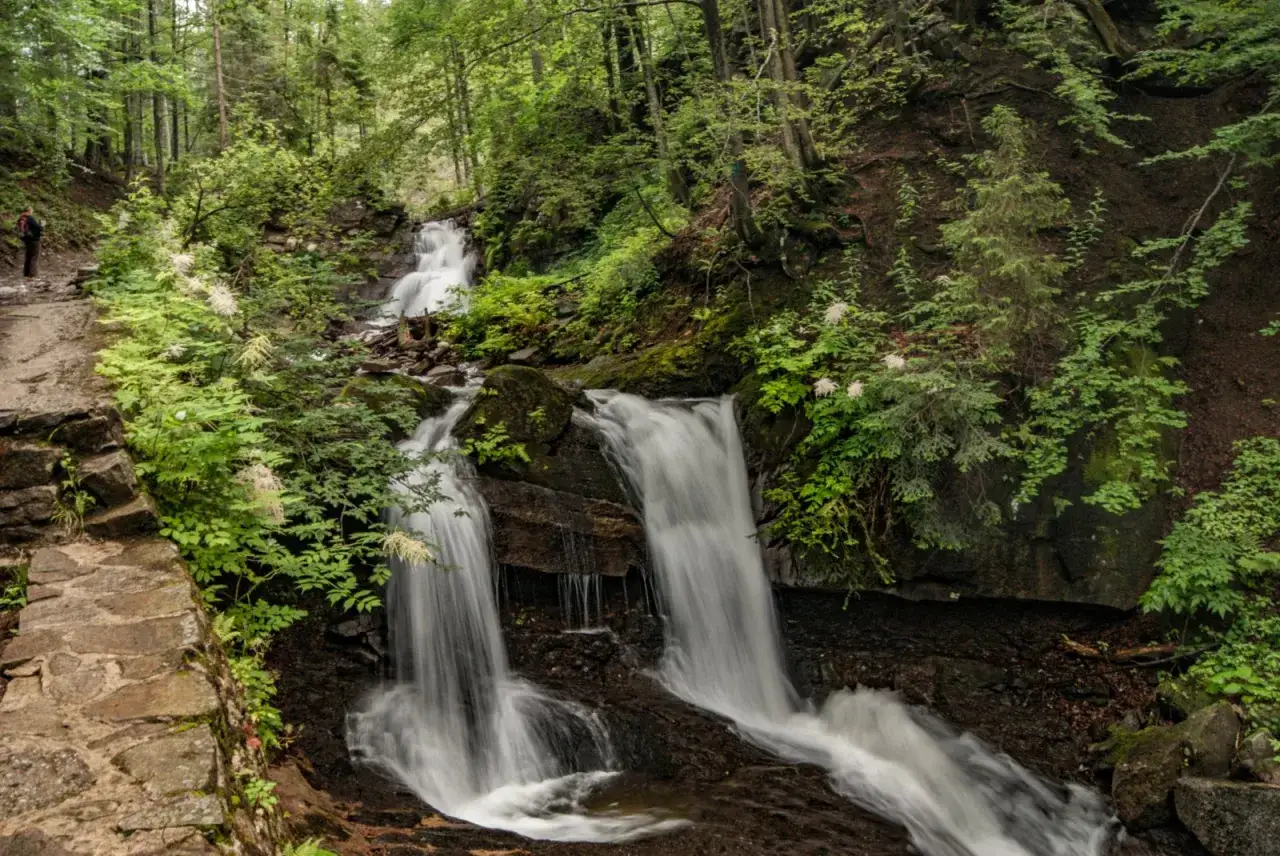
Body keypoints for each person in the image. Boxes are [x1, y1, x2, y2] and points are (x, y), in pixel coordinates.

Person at [17, 207, 43, 277]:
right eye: (32, 210)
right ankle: (32, 274)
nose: (32, 212)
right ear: (29, 211)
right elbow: (38, 227)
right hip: (34, 240)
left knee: (28, 256)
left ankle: (26, 273)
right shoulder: (30, 218)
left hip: (26, 240)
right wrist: (42, 225)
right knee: (34, 256)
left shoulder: (21, 218)